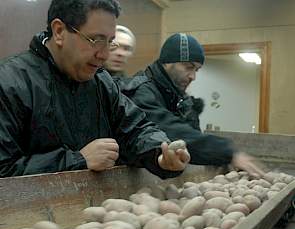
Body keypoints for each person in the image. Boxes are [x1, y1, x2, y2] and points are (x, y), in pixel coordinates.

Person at [0, 0, 190, 178]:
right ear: (59, 31)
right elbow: (4, 168)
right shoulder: (9, 82)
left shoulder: (101, 82)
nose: (104, 54)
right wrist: (78, 160)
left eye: (109, 41)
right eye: (95, 40)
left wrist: (160, 154)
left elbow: (135, 129)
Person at [124, 33, 264, 176]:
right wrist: (227, 152)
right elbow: (171, 131)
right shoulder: (141, 92)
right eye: (188, 67)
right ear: (167, 62)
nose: (193, 77)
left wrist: (220, 158)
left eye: (196, 70)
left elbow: (191, 142)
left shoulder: (177, 98)